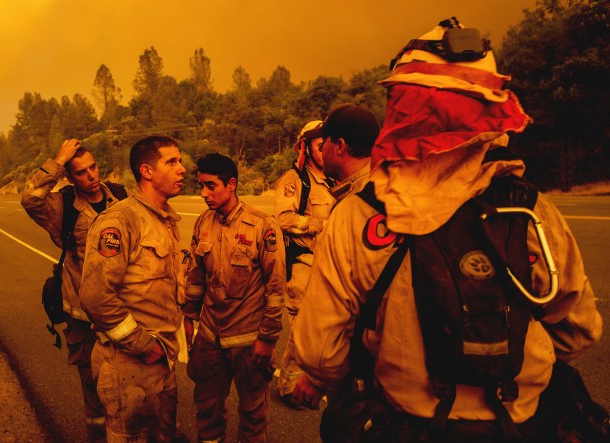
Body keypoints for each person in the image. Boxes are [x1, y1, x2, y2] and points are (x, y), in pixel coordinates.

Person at [292, 18, 603, 442]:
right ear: (490, 107)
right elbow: (579, 328)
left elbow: (320, 353)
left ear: (402, 107)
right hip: (523, 427)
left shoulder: (359, 215)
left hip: (408, 426)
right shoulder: (533, 209)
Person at [80, 135, 187, 443]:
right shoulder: (120, 220)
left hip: (162, 358)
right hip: (129, 363)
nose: (182, 169)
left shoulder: (165, 219)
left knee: (162, 436)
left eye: (180, 161)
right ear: (147, 171)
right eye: (171, 162)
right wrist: (143, 345)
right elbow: (96, 296)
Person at [21, 138, 126, 441]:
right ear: (69, 177)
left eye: (93, 168)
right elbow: (30, 199)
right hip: (84, 317)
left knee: (129, 385)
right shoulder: (62, 205)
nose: (92, 176)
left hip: (123, 312)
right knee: (94, 391)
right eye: (81, 172)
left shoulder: (120, 198)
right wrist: (58, 160)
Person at [183, 153, 285, 443]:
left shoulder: (262, 226)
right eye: (200, 185)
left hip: (248, 339)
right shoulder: (203, 222)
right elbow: (196, 277)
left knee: (253, 413)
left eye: (210, 186)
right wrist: (189, 316)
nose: (203, 193)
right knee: (207, 408)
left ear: (231, 184)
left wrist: (267, 338)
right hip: (209, 336)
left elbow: (276, 288)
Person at [273, 120, 336, 408]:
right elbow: (284, 219)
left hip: (327, 266)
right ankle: (288, 386)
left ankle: (308, 383)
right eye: (321, 147)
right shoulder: (295, 180)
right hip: (302, 266)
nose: (326, 152)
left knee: (321, 330)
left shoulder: (335, 181)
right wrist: (323, 224)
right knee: (301, 331)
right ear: (306, 149)